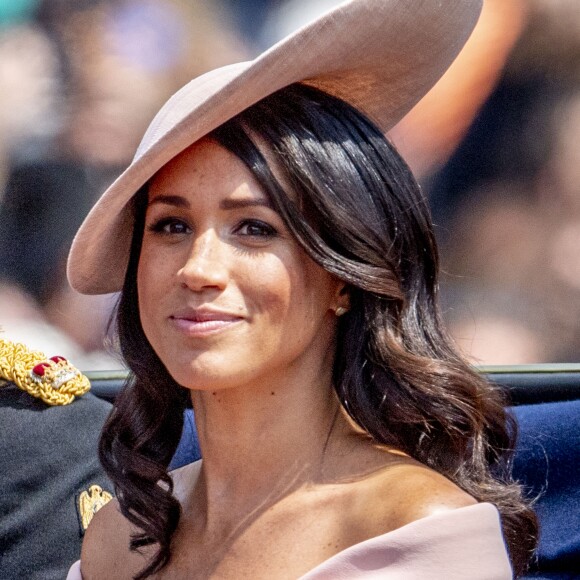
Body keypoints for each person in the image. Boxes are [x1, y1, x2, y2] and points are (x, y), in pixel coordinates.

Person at [65, 1, 538, 578]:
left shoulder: (414, 528)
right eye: (171, 226)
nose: (198, 267)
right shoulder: (118, 540)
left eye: (255, 229)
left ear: (343, 275)